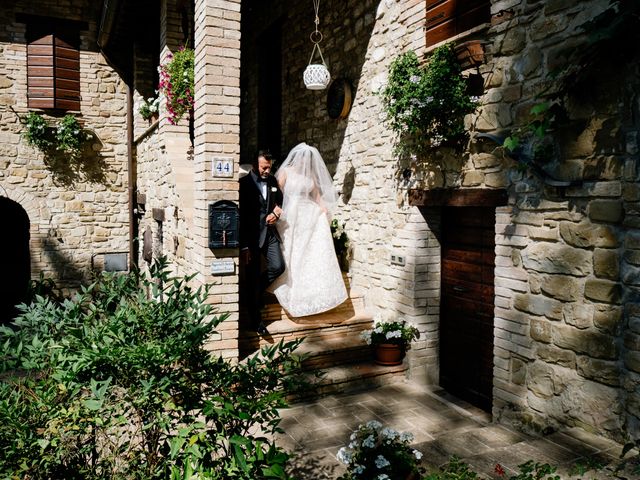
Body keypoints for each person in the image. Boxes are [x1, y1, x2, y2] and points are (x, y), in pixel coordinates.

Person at [269, 142, 347, 317]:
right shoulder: (285, 172)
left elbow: (317, 195)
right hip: (292, 213)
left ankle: (314, 291)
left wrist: (325, 211)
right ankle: (290, 287)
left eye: (309, 158)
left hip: (309, 212)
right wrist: (276, 209)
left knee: (310, 250)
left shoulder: (311, 174)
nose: (307, 161)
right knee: (293, 248)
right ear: (297, 157)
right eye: (305, 157)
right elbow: (277, 193)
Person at [239, 149, 285, 334]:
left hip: (270, 234)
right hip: (251, 239)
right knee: (251, 276)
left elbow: (280, 201)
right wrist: (243, 246)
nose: (267, 171)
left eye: (269, 167)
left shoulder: (273, 181)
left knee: (278, 266)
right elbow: (240, 216)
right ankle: (256, 322)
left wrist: (276, 212)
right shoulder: (243, 184)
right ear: (255, 165)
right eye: (264, 167)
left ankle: (253, 291)